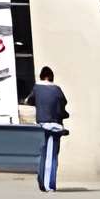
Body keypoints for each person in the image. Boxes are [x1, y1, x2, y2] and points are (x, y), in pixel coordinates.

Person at [31, 64, 71, 192]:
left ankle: (42, 180)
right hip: (55, 125)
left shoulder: (36, 88)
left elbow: (29, 101)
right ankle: (49, 185)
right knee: (52, 156)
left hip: (41, 125)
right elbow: (63, 105)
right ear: (50, 76)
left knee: (43, 154)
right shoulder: (56, 90)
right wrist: (63, 114)